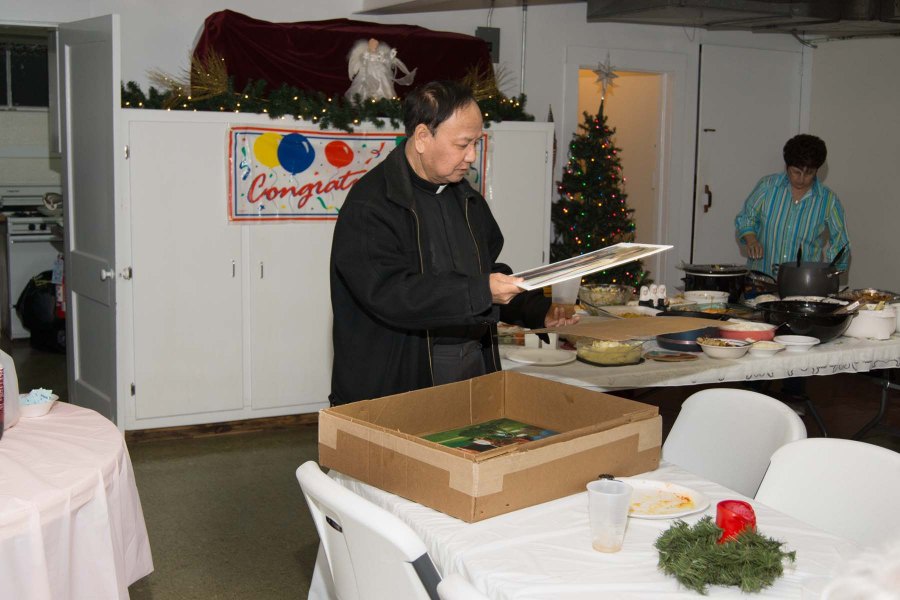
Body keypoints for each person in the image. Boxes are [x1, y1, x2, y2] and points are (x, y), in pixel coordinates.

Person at [329, 80, 576, 406]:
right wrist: (482, 291)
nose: (471, 156)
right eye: (462, 144)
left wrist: (539, 311)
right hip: (398, 381)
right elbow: (393, 294)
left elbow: (486, 272)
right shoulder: (371, 205)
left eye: (476, 142)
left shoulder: (465, 197)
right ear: (422, 138)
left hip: (472, 364)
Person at [735, 134, 850, 278]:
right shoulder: (767, 186)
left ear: (817, 170)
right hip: (761, 279)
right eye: (796, 172)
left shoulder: (828, 200)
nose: (801, 179)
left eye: (809, 173)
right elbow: (746, 218)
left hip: (803, 282)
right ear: (787, 166)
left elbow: (841, 242)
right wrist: (752, 241)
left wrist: (830, 272)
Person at [344, 38, 416, 102]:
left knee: (384, 86)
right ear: (369, 45)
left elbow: (386, 62)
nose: (375, 46)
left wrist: (391, 56)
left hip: (380, 72)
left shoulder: (380, 54)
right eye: (373, 44)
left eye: (376, 44)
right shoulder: (365, 54)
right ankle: (366, 101)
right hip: (368, 72)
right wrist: (365, 58)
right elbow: (362, 61)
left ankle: (383, 102)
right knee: (365, 87)